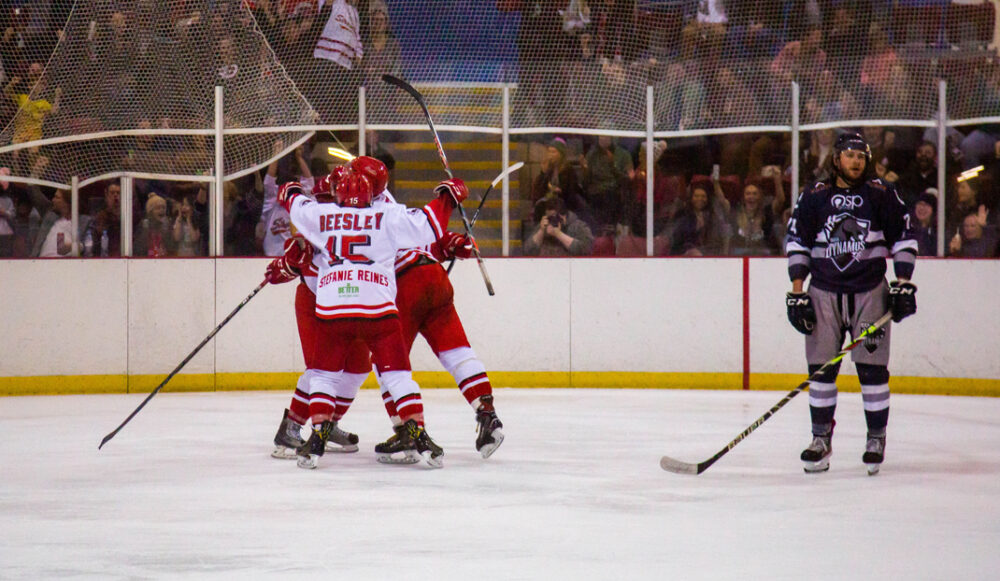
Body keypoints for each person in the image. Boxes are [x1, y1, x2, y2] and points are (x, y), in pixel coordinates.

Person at [277, 164, 464, 469]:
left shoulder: (321, 215)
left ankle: (317, 437)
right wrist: (448, 197)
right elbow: (429, 225)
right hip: (377, 308)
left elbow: (293, 201)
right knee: (398, 376)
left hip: (334, 308)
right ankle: (419, 434)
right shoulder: (387, 214)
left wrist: (291, 191)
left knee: (323, 375)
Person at [785, 132, 918, 476]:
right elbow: (798, 241)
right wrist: (798, 291)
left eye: (861, 156)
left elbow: (904, 237)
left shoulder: (881, 193)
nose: (856, 161)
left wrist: (903, 283)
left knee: (872, 372)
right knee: (821, 371)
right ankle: (820, 439)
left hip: (869, 292)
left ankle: (876, 438)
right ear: (836, 159)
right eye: (850, 155)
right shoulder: (815, 195)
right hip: (823, 292)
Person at [524, 196, 594, 256]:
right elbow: (528, 251)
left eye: (552, 217)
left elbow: (586, 249)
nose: (550, 221)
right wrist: (541, 231)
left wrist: (558, 234)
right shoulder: (544, 225)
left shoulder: (578, 226)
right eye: (548, 217)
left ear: (562, 216)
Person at [36, 189, 73, 258]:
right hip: (40, 262)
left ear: (67, 202)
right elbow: (36, 197)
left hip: (64, 263)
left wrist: (78, 246)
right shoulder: (50, 217)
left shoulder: (80, 222)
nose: (53, 200)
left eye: (57, 197)